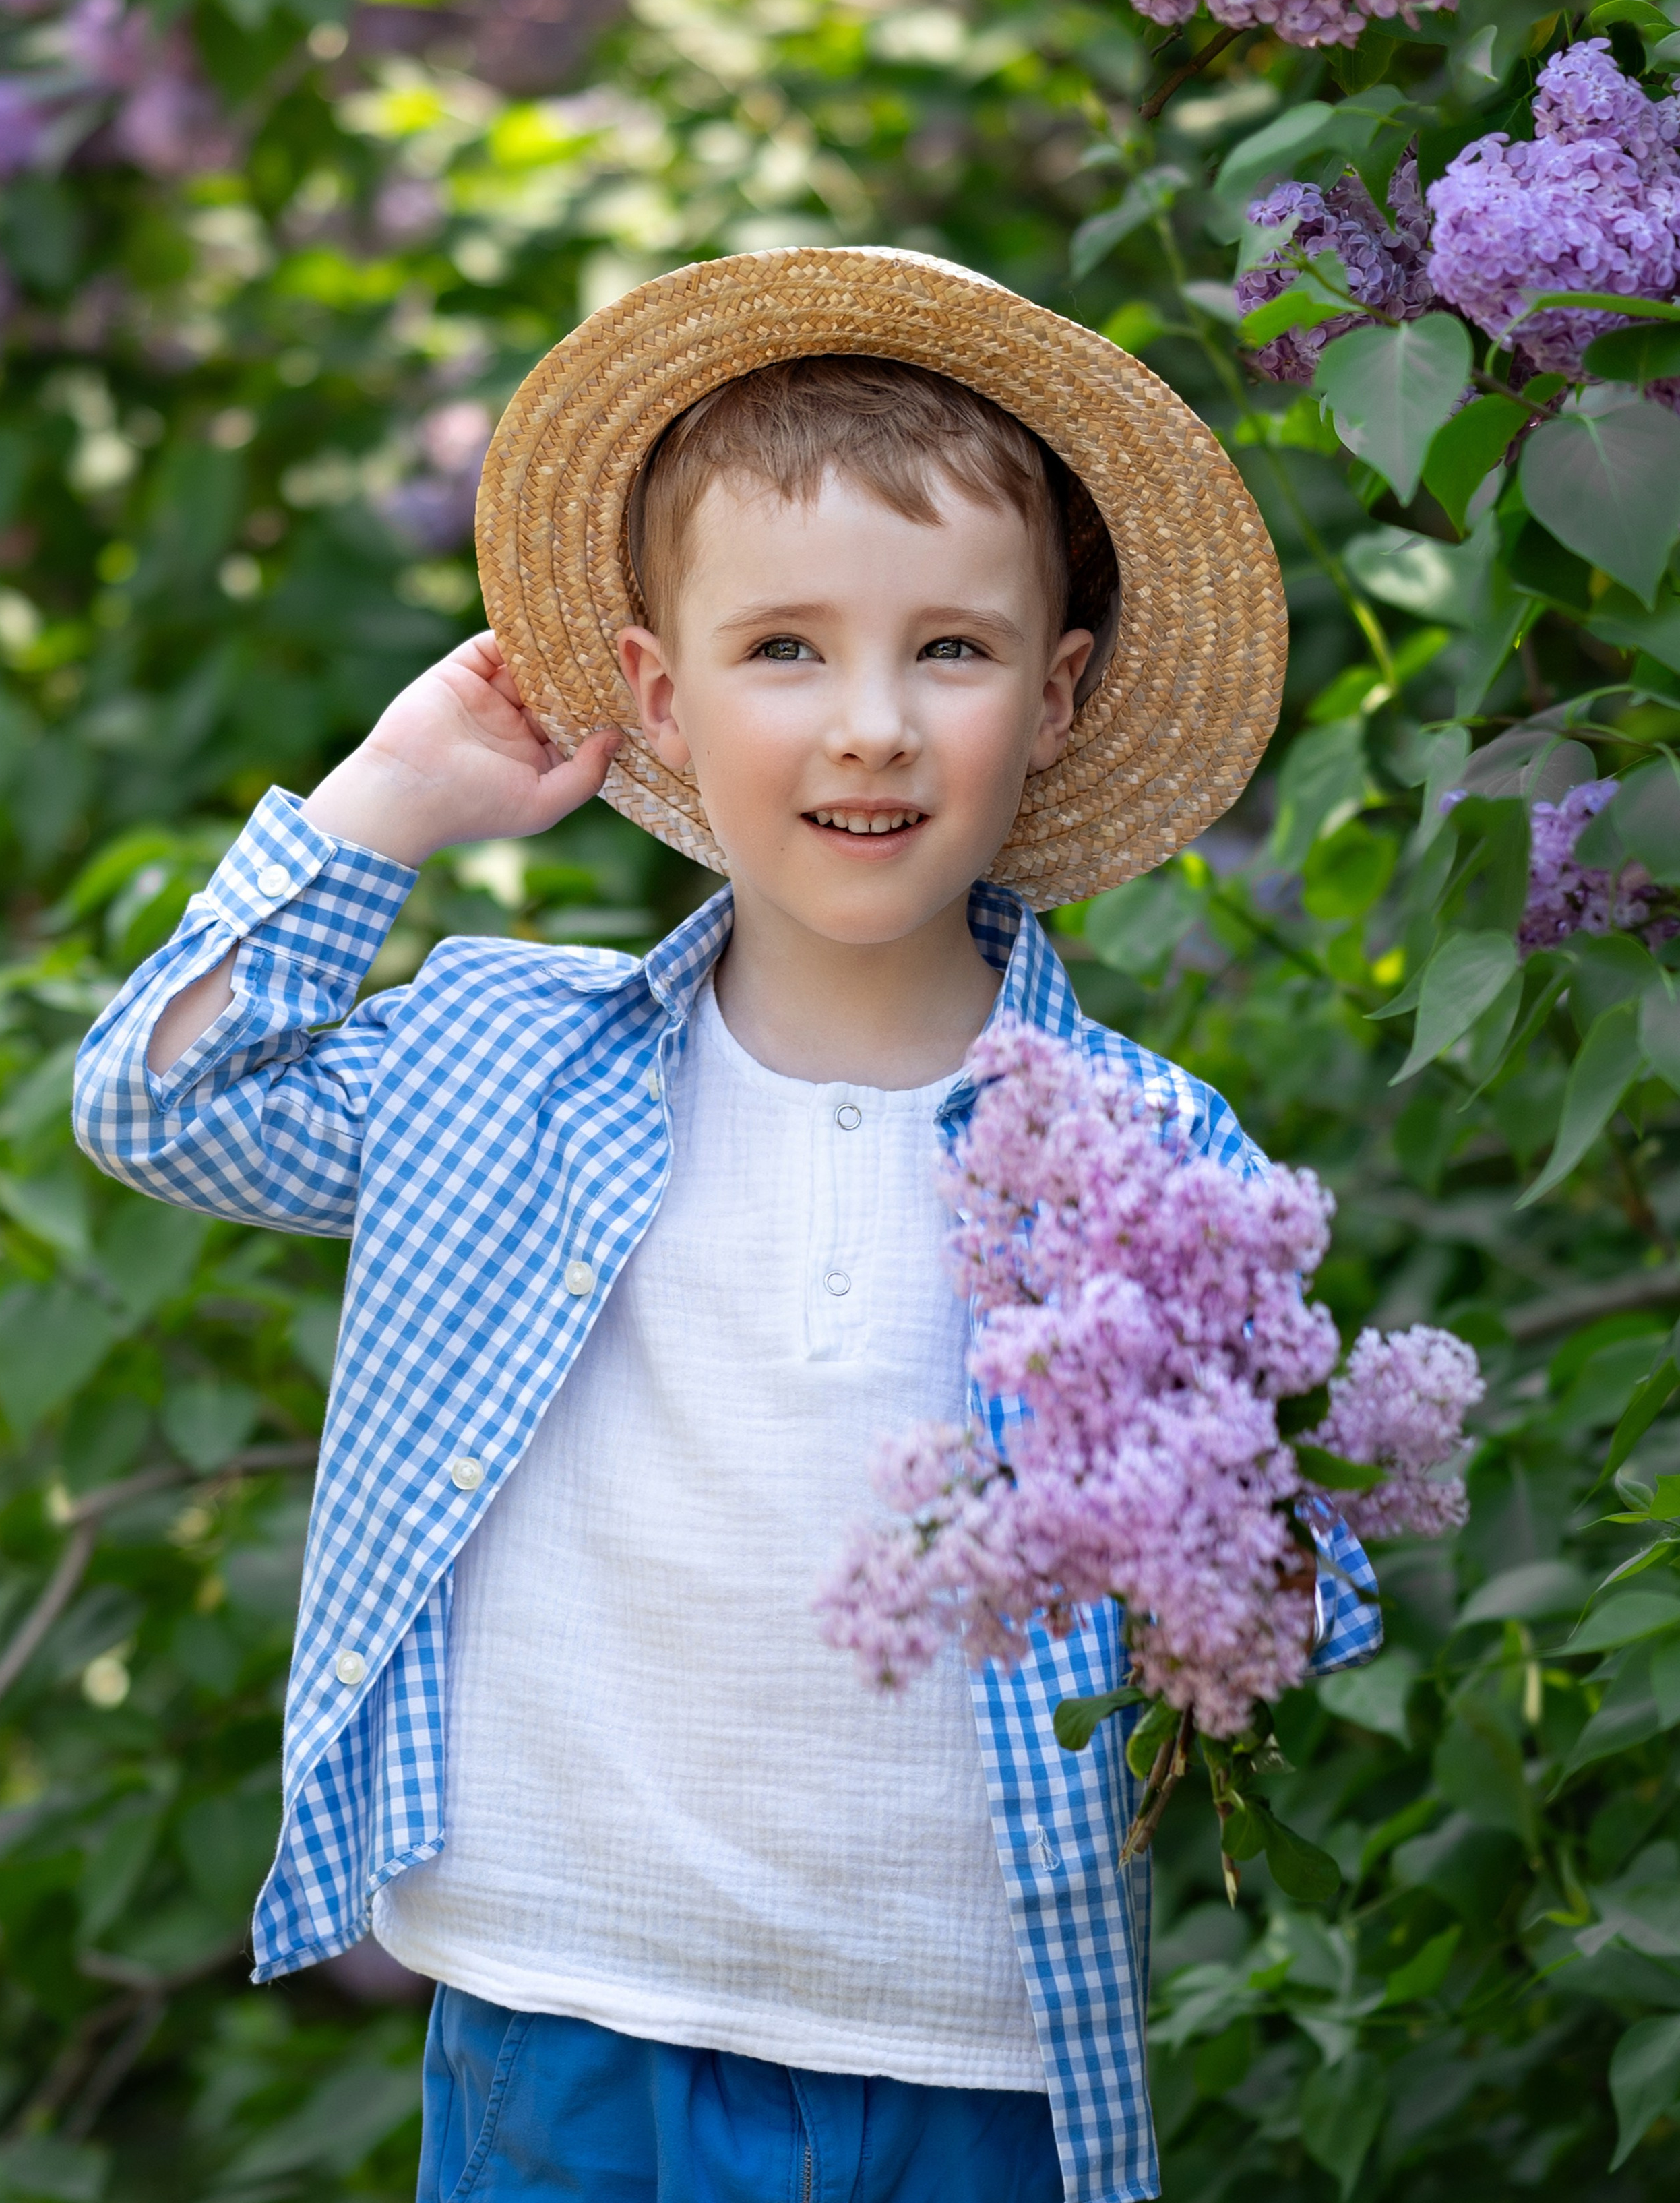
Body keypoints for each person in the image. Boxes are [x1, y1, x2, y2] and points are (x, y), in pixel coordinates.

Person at [75, 247, 1381, 2203]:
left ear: (1061, 693)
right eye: (785, 651)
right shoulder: (506, 1064)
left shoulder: (1141, 1151)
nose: (870, 725)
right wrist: (392, 801)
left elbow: (1277, 1613)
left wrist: (1253, 1585)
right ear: (656, 704)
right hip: (561, 2009)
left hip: (956, 2052)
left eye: (951, 649)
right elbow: (162, 1107)